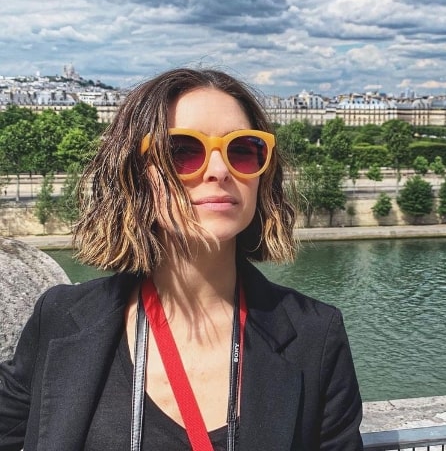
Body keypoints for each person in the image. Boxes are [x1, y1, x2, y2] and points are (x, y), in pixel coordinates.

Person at [0, 68, 363, 450]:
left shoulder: (317, 334)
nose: (220, 171)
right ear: (136, 174)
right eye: (182, 151)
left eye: (242, 149)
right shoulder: (59, 316)